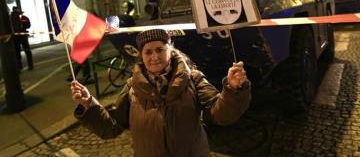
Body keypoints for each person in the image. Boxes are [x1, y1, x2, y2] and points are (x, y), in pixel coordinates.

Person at [70, 29, 251, 156]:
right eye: (148, 52)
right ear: (141, 56)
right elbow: (111, 127)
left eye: (159, 50)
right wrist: (89, 105)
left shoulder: (193, 79)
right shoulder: (132, 86)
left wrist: (233, 89)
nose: (154, 56)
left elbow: (220, 114)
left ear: (170, 51)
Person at [10, 6, 34, 71]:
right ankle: (30, 66)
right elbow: (28, 25)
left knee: (17, 53)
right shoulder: (22, 17)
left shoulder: (11, 18)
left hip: (15, 38)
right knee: (27, 51)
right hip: (22, 37)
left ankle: (19, 67)